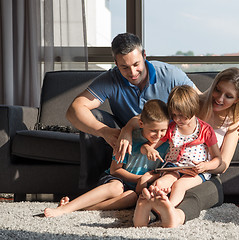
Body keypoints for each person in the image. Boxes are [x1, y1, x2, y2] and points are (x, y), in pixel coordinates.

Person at [66, 32, 200, 189]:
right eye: (124, 67)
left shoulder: (170, 74)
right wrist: (105, 131)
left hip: (164, 137)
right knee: (95, 116)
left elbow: (199, 101)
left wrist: (231, 121)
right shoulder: (110, 79)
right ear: (115, 63)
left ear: (144, 55)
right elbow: (74, 110)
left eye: (136, 64)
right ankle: (95, 186)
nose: (132, 73)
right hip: (125, 136)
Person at [131, 67, 239, 228]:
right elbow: (150, 119)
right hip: (174, 169)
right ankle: (147, 212)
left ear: (237, 99)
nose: (220, 99)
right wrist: (126, 131)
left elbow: (222, 165)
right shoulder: (190, 105)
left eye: (228, 96)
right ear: (213, 85)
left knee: (192, 195)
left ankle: (173, 216)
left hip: (204, 174)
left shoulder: (233, 122)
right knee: (162, 188)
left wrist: (202, 167)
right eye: (218, 90)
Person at [44, 99, 170, 217]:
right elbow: (115, 170)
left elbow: (166, 171)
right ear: (141, 123)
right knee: (116, 188)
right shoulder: (126, 139)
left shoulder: (168, 143)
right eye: (153, 130)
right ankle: (66, 209)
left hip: (138, 189)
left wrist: (148, 178)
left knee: (131, 197)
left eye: (163, 130)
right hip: (118, 180)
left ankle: (80, 207)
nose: (158, 135)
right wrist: (139, 178)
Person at [133, 85, 222, 227]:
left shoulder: (205, 130)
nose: (177, 119)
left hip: (195, 171)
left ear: (193, 110)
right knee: (161, 183)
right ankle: (147, 205)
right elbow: (149, 146)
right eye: (174, 115)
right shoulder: (171, 128)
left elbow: (218, 159)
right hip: (172, 168)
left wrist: (206, 166)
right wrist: (148, 149)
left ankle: (167, 209)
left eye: (182, 115)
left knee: (179, 186)